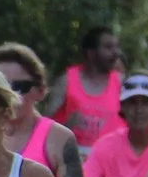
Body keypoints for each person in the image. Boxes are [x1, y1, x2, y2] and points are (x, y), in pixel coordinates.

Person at [0, 42, 87, 177]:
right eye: (0, 87)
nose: (10, 95)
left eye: (19, 87)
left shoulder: (59, 138)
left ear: (40, 91)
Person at [41, 27, 125, 162]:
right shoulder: (67, 81)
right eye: (108, 47)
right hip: (73, 160)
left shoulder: (121, 83)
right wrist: (66, 127)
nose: (116, 53)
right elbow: (44, 125)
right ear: (90, 53)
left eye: (116, 47)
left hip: (112, 162)